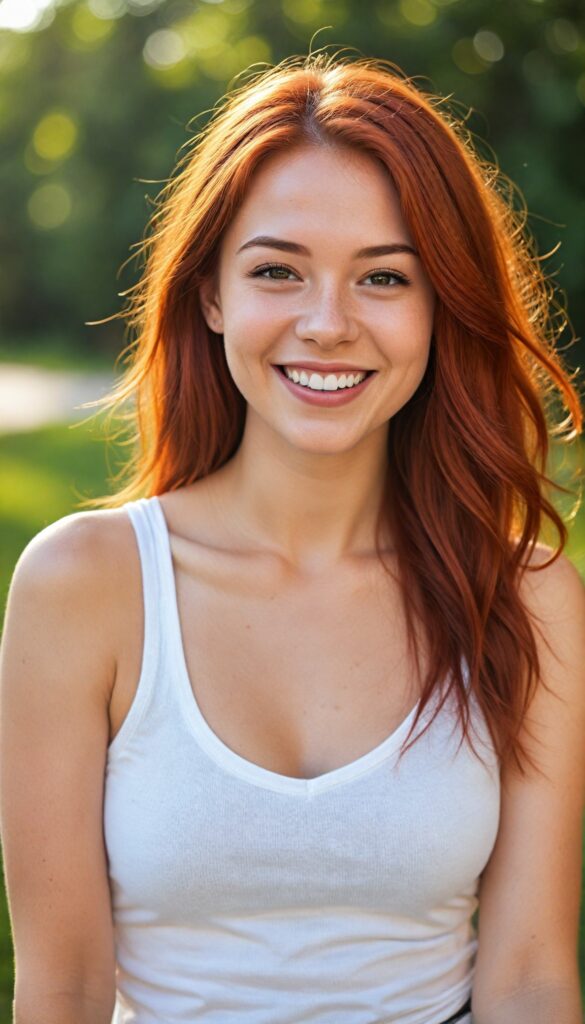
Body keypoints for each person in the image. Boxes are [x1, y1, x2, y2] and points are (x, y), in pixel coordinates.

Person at [0, 50, 584, 1024]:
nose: (327, 322)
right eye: (278, 270)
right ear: (213, 294)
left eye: (384, 278)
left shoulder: (527, 596)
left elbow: (528, 975)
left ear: (441, 305)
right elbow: (61, 988)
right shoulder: (86, 586)